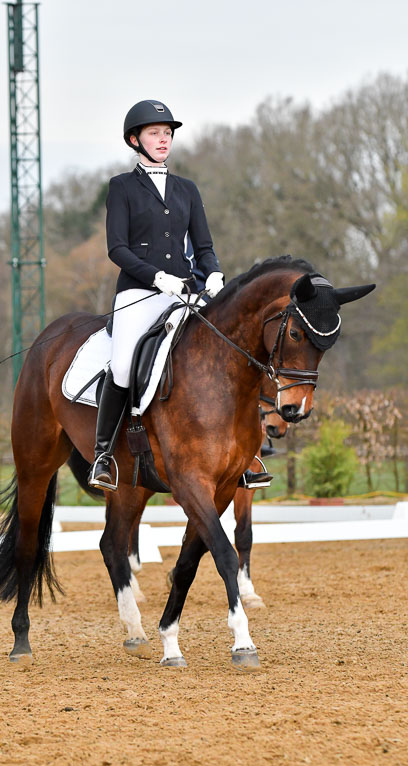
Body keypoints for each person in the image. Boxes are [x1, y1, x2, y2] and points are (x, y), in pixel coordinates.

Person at [88, 100, 270, 492]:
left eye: (167, 133)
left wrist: (215, 273)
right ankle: (103, 455)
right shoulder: (122, 187)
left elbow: (204, 245)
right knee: (122, 366)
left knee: (232, 350)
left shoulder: (187, 189)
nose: (163, 139)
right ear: (135, 140)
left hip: (188, 291)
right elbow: (117, 248)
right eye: (155, 133)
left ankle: (246, 453)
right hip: (139, 292)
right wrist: (156, 277)